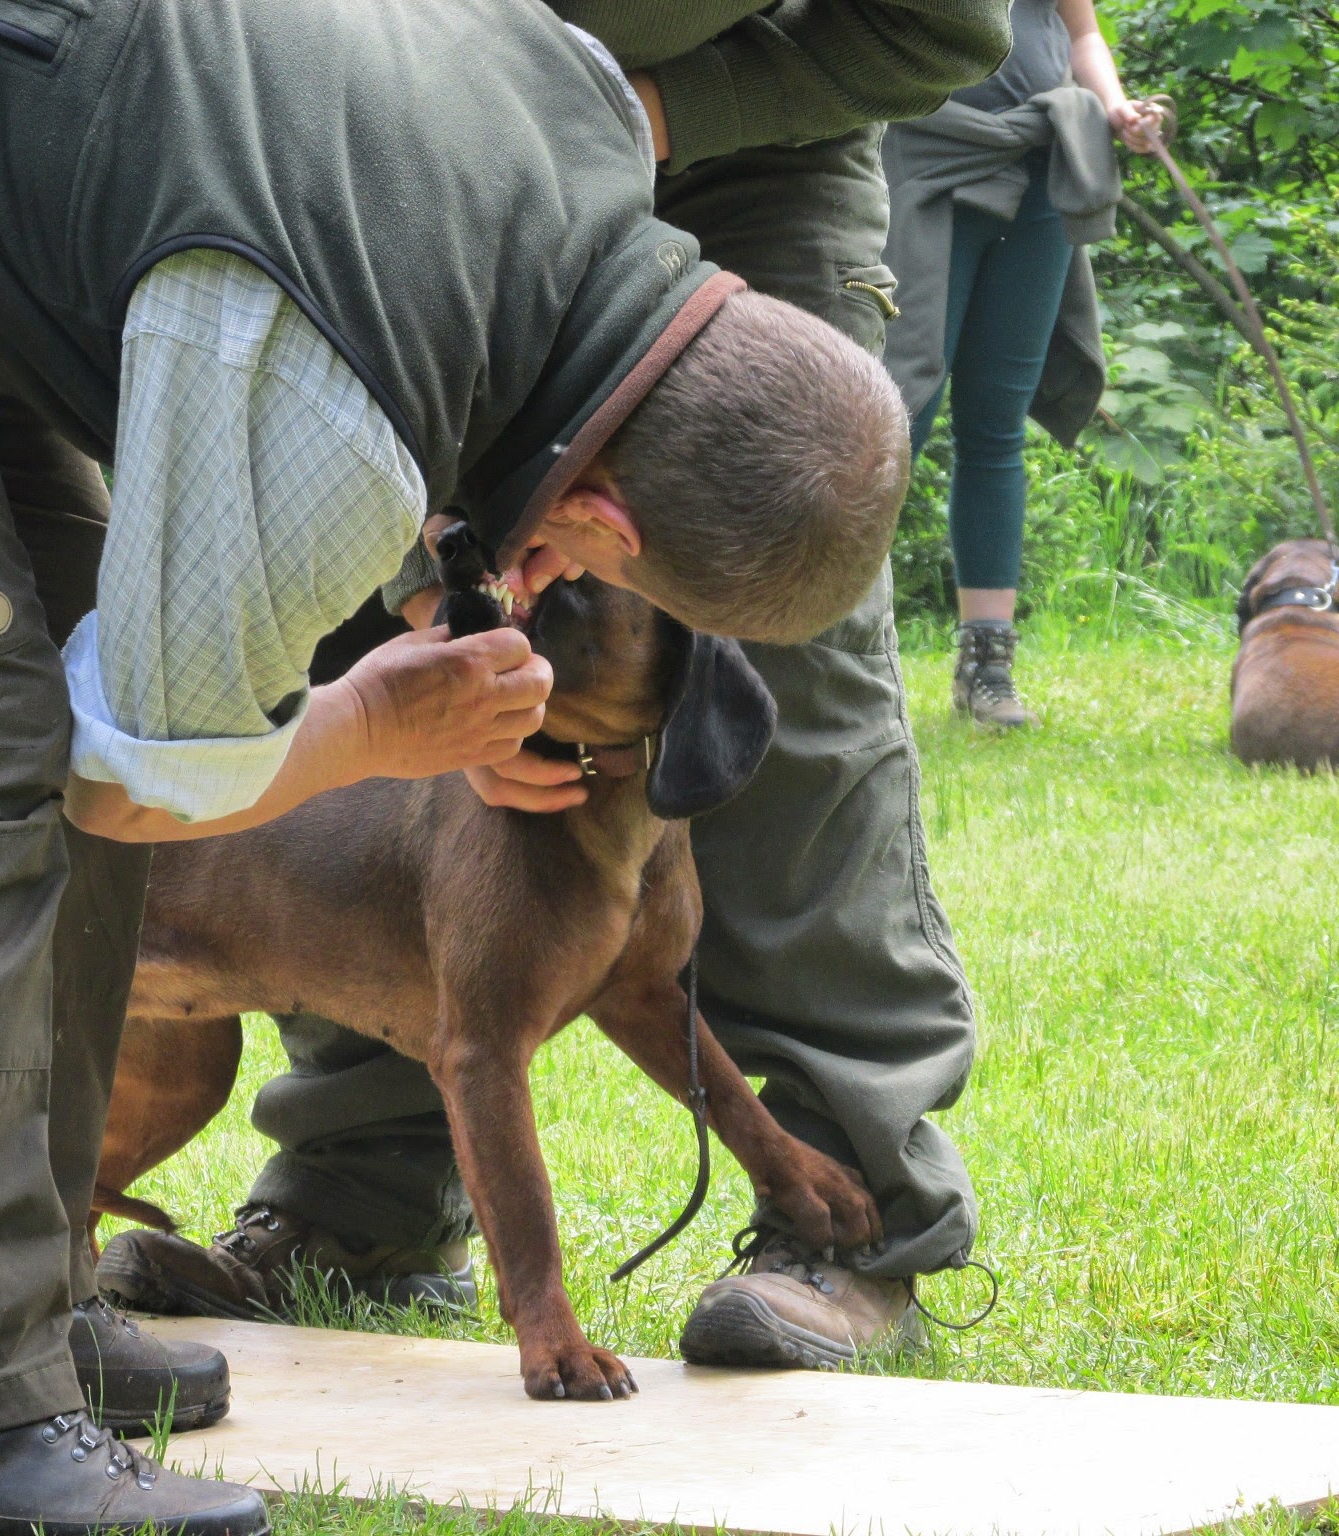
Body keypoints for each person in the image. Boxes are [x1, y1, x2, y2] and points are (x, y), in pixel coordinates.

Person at [0, 0, 995, 1532]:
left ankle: (18, 1312)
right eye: (588, 573)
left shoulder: (580, 112)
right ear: (607, 530)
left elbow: (407, 329)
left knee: (55, 645)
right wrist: (373, 728)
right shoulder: (313, 390)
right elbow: (124, 785)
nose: (547, 585)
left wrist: (424, 569)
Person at [100, 2, 1013, 1377]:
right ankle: (362, 1207)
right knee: (368, 631)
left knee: (778, 675)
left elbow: (940, 21)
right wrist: (430, 562)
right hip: (426, 153)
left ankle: (845, 1203)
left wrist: (642, 111)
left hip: (742, 159)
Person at [878, 0, 1164, 728]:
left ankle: (987, 667)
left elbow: (1081, 32)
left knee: (997, 424)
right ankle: (845, 650)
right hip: (925, 159)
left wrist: (1117, 108)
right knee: (895, 414)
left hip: (1041, 163)